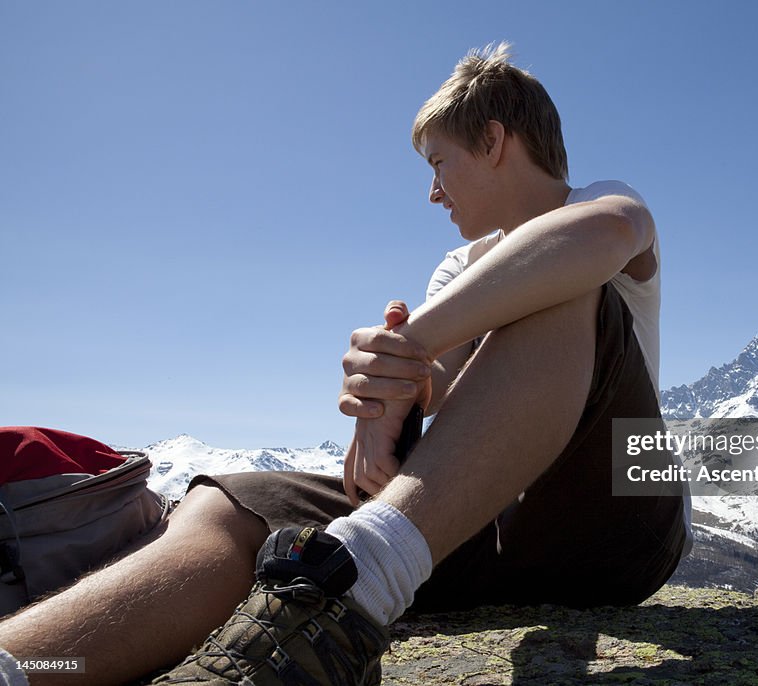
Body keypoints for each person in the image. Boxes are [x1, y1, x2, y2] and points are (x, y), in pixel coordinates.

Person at [0, 42, 690, 686]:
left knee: (562, 275)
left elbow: (607, 235)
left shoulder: (598, 202)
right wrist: (385, 390)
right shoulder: (456, 266)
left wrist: (413, 340)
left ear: (493, 140)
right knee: (234, 500)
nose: (433, 192)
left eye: (438, 163)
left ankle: (351, 587)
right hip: (481, 531)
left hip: (617, 527)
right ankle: (22, 666)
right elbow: (442, 385)